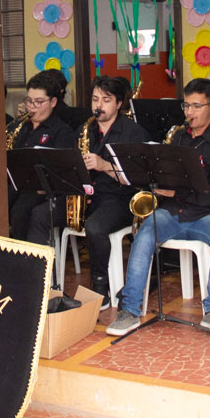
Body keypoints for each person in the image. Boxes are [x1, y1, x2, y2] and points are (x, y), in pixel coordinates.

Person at [106, 78, 210, 336]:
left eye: (196, 106)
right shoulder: (179, 138)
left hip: (209, 216)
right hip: (175, 212)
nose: (189, 112)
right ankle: (130, 311)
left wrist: (175, 191)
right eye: (186, 105)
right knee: (144, 235)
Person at [27, 76, 150, 305]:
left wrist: (104, 166)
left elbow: (138, 179)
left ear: (119, 104)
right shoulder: (84, 130)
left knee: (95, 226)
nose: (98, 106)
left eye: (106, 100)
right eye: (95, 99)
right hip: (85, 196)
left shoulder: (134, 133)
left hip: (119, 198)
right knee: (40, 214)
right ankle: (43, 283)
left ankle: (101, 287)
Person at [7, 72, 77, 242]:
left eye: (39, 102)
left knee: (20, 212)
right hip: (17, 185)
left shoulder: (61, 131)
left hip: (43, 189)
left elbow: (62, 171)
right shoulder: (18, 126)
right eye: (29, 101)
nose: (32, 107)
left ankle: (24, 260)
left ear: (53, 102)